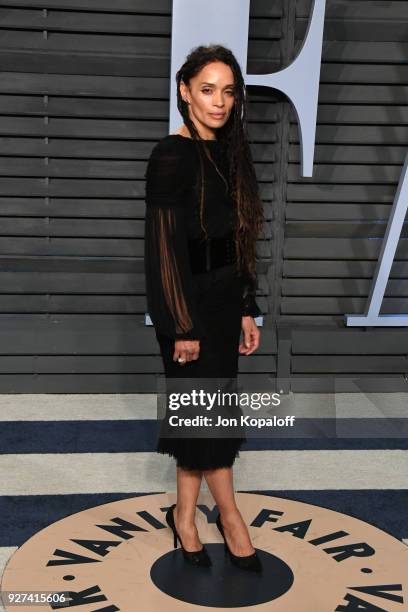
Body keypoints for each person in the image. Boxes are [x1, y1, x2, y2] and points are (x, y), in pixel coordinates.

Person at [144, 45, 264, 571]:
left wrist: (245, 307)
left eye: (228, 90)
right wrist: (181, 326)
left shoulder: (233, 151)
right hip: (185, 306)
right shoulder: (171, 155)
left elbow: (239, 240)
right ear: (184, 91)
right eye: (208, 89)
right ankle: (231, 516)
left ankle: (186, 515)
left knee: (206, 415)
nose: (219, 102)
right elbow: (165, 248)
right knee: (204, 415)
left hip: (222, 302)